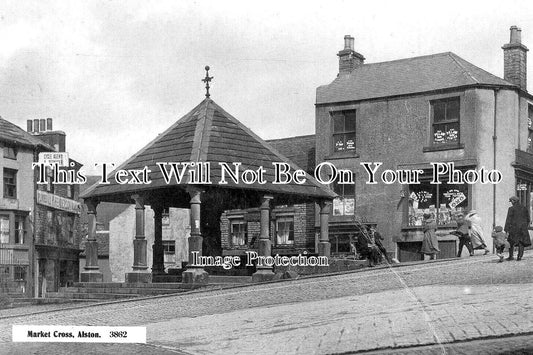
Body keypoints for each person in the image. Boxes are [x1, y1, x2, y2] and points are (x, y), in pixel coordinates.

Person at [504, 196, 531, 261]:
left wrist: (506, 229)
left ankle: (511, 256)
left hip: (514, 228)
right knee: (521, 242)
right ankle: (519, 257)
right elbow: (528, 219)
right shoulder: (524, 208)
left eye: (511, 201)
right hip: (523, 228)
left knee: (511, 241)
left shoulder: (511, 209)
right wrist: (525, 226)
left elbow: (508, 219)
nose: (511, 203)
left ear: (513, 201)